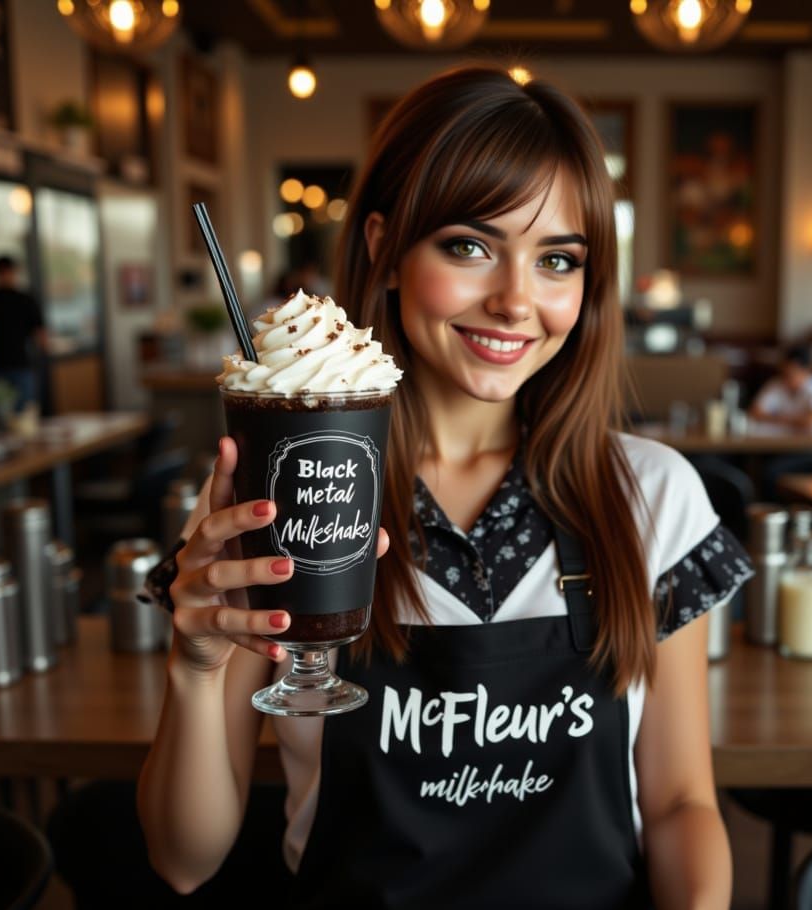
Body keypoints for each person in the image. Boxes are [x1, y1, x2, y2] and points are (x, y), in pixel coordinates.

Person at [137, 66, 753, 909]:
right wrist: (195, 665)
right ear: (386, 249)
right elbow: (184, 859)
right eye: (470, 246)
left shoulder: (650, 494)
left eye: (558, 259)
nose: (515, 300)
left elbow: (682, 804)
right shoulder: (287, 496)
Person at [0, 254, 46, 410]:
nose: (6, 276)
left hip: (21, 363)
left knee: (25, 411)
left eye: (8, 272)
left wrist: (43, 350)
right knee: (1, 412)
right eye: (3, 272)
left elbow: (39, 332)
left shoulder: (25, 299)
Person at [750, 345, 812, 435]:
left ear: (806, 370)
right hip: (782, 441)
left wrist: (778, 419)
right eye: (784, 372)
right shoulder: (777, 384)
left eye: (792, 372)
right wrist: (794, 421)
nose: (787, 377)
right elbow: (755, 411)